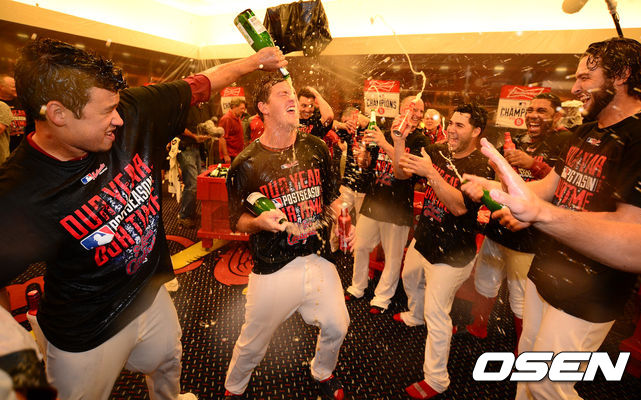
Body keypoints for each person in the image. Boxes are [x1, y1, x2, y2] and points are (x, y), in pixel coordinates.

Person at [0, 38, 286, 400]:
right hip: (84, 331)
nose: (119, 119)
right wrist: (12, 359)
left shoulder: (132, 111)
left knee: (168, 364)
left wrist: (254, 61)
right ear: (58, 114)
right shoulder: (19, 192)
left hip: (150, 295)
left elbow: (198, 84)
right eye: (107, 111)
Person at [463, 37, 641, 399]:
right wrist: (495, 186)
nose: (575, 88)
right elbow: (547, 190)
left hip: (590, 294)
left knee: (547, 384)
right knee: (527, 366)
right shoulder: (585, 132)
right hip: (545, 272)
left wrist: (542, 215)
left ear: (622, 75)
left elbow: (638, 241)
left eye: (585, 78)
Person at [223, 73, 353, 399]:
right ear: (263, 107)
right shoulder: (246, 163)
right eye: (283, 93)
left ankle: (322, 371)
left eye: (293, 92)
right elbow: (237, 222)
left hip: (318, 257)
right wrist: (259, 222)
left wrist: (344, 214)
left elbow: (331, 197)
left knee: (337, 325)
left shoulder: (316, 148)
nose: (293, 98)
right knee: (253, 341)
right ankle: (234, 388)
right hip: (273, 265)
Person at [396, 103, 493, 399]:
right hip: (424, 239)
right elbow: (401, 174)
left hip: (453, 253)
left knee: (437, 314)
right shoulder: (437, 151)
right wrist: (399, 140)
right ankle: (415, 314)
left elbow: (459, 207)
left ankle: (437, 379)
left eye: (459, 125)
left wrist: (431, 174)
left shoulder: (480, 166)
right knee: (409, 278)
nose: (451, 129)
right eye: (450, 123)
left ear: (476, 132)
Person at [465, 92, 572, 345]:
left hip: (530, 238)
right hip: (498, 228)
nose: (533, 115)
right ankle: (478, 326)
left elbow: (564, 189)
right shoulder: (516, 141)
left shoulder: (565, 142)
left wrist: (533, 164)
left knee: (521, 299)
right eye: (530, 110)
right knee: (485, 282)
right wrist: (495, 174)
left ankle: (522, 348)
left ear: (557, 116)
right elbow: (504, 186)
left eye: (542, 111)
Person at [345, 96, 429, 314]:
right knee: (360, 246)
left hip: (398, 206)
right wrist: (363, 155)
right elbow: (368, 163)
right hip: (374, 200)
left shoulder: (420, 140)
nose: (417, 114)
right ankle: (358, 287)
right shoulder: (384, 130)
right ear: (401, 108)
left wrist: (384, 143)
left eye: (421, 111)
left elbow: (406, 169)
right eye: (413, 108)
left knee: (393, 257)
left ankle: (382, 298)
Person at [0, 74, 28, 152]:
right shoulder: (1, 105)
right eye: (13, 87)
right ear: (1, 87)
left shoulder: (23, 102)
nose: (16, 89)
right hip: (5, 150)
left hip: (23, 149)